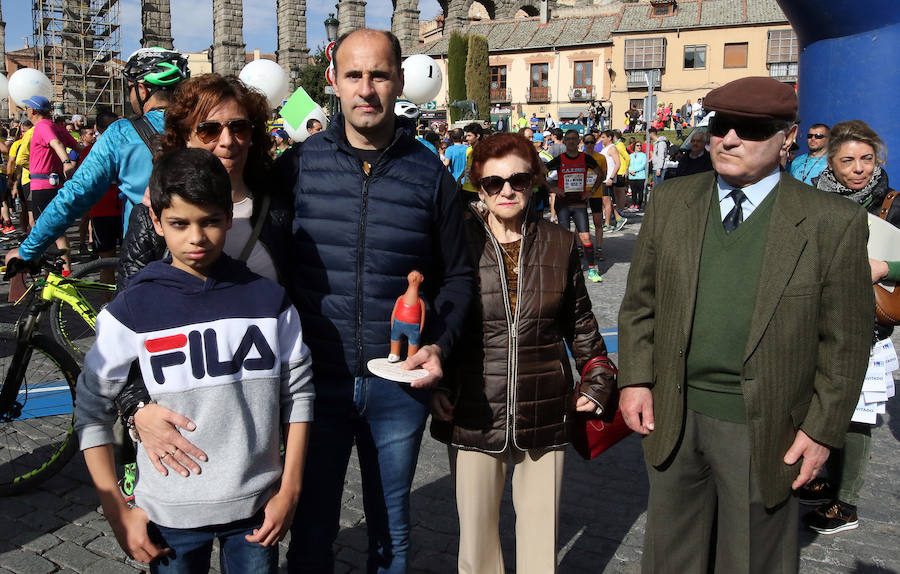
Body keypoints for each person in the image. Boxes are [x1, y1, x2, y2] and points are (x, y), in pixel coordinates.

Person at [618, 77, 873, 574]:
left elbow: (846, 341)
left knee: (753, 560)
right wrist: (634, 378)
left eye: (749, 129)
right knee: (671, 559)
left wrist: (821, 431)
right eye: (720, 125)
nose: (728, 139)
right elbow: (639, 305)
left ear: (787, 137)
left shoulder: (830, 221)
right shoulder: (672, 203)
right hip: (675, 416)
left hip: (767, 426)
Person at [279, 29, 473, 573]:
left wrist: (441, 346)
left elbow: (458, 277)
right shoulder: (296, 168)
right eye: (355, 75)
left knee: (392, 531)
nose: (367, 89)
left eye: (379, 75)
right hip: (314, 379)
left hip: (397, 384)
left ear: (399, 81)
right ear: (333, 83)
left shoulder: (431, 174)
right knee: (312, 528)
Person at [73, 147, 314, 571]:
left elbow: (299, 394)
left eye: (211, 222)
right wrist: (117, 512)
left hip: (257, 510)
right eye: (179, 224)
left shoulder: (269, 300)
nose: (196, 238)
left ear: (229, 215)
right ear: (156, 221)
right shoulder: (131, 309)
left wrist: (290, 488)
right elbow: (92, 409)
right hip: (169, 517)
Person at [430, 132, 615, 574]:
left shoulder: (561, 243)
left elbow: (580, 320)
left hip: (547, 409)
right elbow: (438, 322)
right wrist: (434, 385)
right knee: (476, 546)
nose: (506, 190)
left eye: (518, 179)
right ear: (477, 184)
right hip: (473, 407)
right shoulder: (455, 243)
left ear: (534, 181)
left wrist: (597, 377)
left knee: (539, 542)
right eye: (493, 183)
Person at [5, 47, 190, 269]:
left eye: (129, 89)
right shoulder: (208, 128)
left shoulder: (122, 133)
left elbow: (76, 194)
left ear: (142, 90)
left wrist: (29, 248)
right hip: (205, 254)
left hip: (150, 259)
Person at [803, 120, 896, 534]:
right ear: (831, 162)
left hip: (867, 326)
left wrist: (886, 267)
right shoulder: (813, 199)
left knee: (858, 416)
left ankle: (847, 503)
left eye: (867, 159)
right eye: (848, 160)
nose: (859, 168)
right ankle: (822, 479)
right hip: (817, 319)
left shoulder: (891, 203)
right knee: (820, 402)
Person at [546, 129, 605, 282]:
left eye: (574, 139)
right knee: (565, 238)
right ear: (564, 142)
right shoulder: (559, 159)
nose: (571, 141)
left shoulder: (585, 158)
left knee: (585, 237)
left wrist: (591, 192)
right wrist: (552, 188)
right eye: (568, 139)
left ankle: (592, 270)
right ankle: (565, 270)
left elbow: (601, 174)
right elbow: (539, 173)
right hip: (563, 203)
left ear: (578, 142)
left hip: (579, 204)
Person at [627, 144, 647, 210]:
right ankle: (634, 203)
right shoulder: (630, 156)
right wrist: (630, 170)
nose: (639, 147)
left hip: (640, 176)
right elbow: (628, 164)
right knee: (633, 191)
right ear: (634, 147)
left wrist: (634, 170)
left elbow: (643, 164)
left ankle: (639, 204)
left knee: (640, 191)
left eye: (640, 145)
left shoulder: (643, 155)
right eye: (637, 145)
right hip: (632, 176)